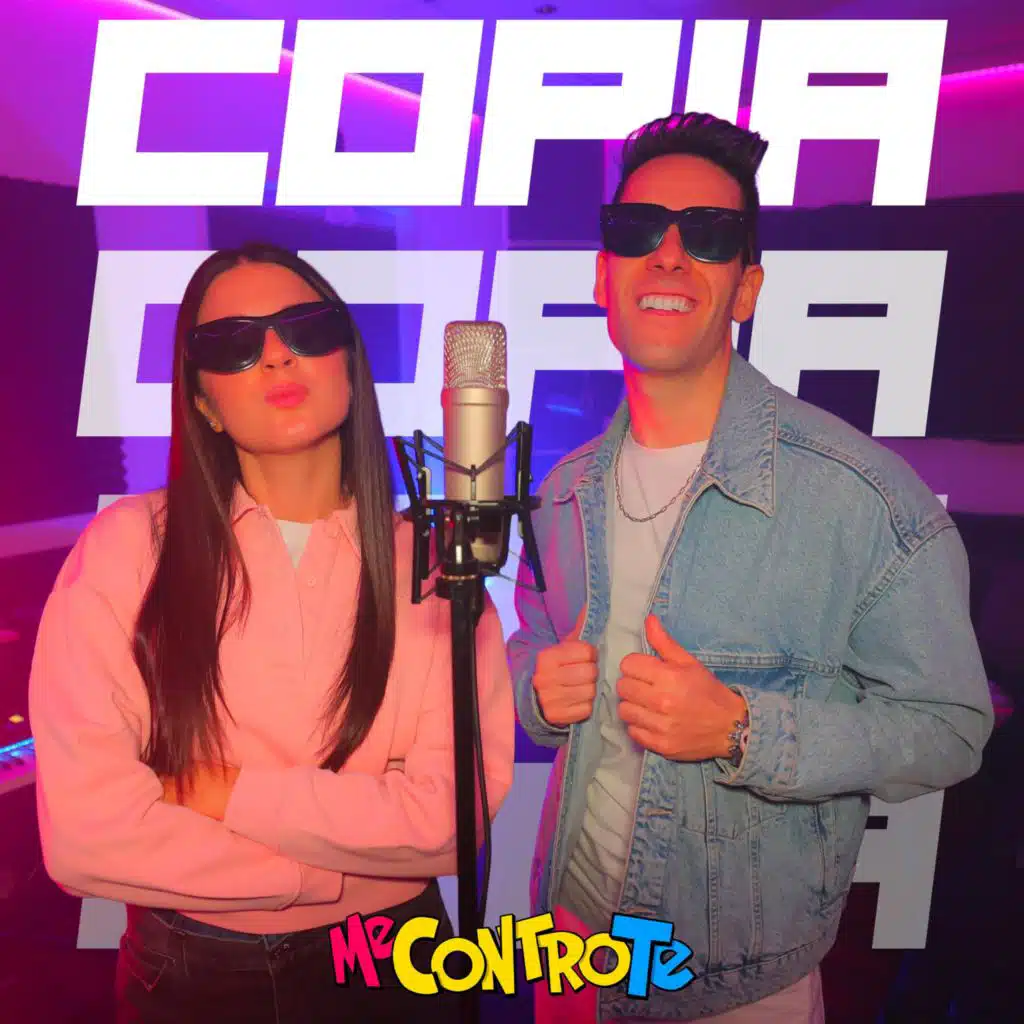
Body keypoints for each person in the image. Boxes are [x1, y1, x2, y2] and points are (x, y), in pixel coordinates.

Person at [507, 113, 994, 1023]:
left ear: (746, 288)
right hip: (568, 948)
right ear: (604, 275)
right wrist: (535, 684)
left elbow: (950, 729)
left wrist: (742, 730)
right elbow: (528, 642)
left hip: (730, 985)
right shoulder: (564, 490)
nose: (668, 254)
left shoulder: (862, 497)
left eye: (709, 235)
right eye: (638, 229)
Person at [28, 243, 515, 1023]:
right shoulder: (129, 548)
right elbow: (87, 835)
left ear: (349, 362)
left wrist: (225, 794)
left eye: (305, 329)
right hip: (192, 973)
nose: (278, 355)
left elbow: (447, 825)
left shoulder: (435, 568)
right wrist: (322, 873)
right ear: (204, 400)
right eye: (234, 343)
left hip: (396, 963)